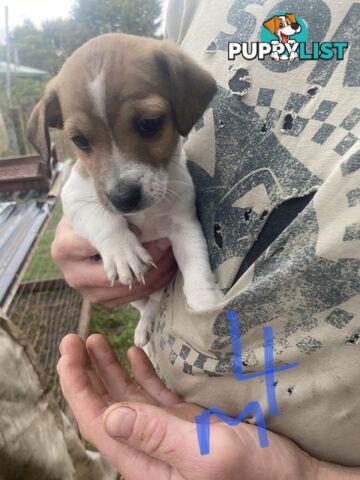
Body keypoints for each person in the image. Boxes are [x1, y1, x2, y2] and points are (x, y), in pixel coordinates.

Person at [54, 0, 360, 477]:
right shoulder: (186, 15)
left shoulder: (172, 77)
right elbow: (80, 197)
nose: (119, 181)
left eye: (148, 124)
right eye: (84, 141)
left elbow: (181, 225)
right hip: (178, 404)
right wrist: (98, 235)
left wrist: (309, 474)